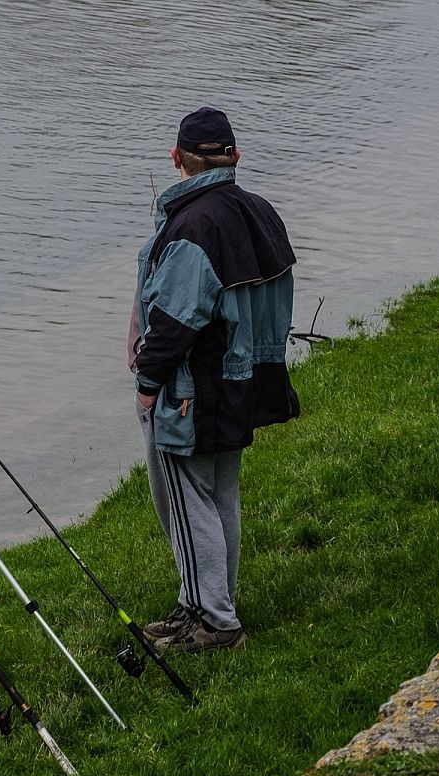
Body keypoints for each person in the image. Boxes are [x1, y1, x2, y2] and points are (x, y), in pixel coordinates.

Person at [128, 107, 300, 653]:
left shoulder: (192, 227)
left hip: (192, 393)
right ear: (235, 157)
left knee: (185, 497)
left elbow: (176, 322)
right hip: (242, 380)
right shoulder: (261, 212)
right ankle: (200, 606)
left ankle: (217, 624)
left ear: (177, 159)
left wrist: (148, 382)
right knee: (220, 493)